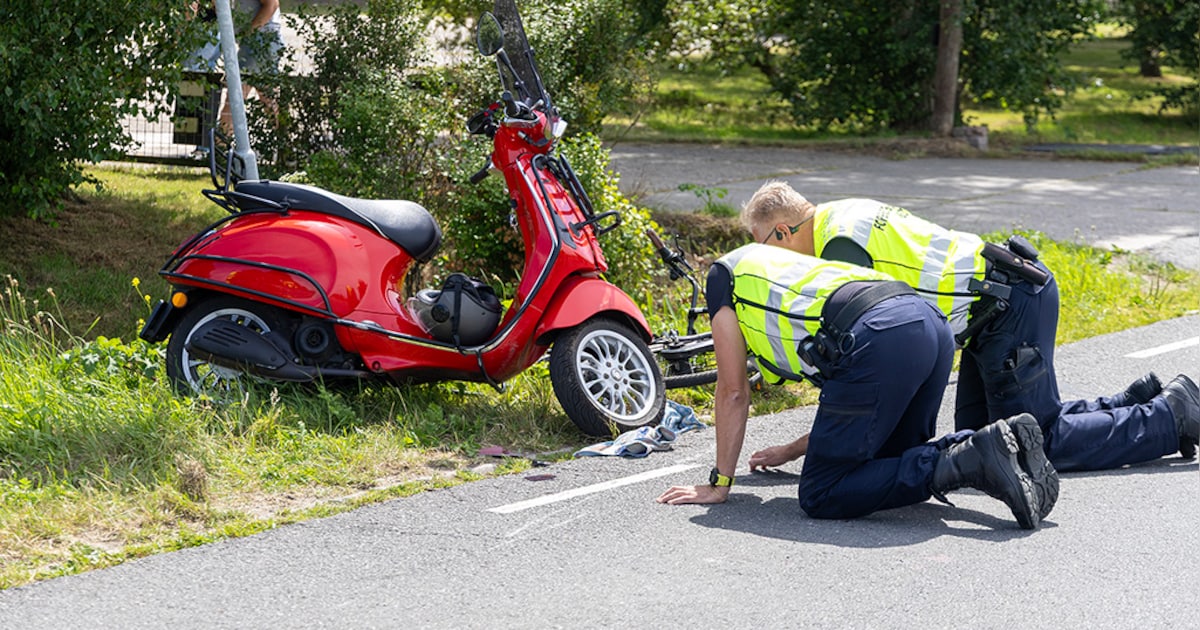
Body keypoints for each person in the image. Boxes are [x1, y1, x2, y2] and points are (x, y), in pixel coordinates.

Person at [738, 181, 1200, 472]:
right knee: (981, 432)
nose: (771, 261)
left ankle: (1169, 416)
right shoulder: (841, 213)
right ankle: (1129, 401)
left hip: (1008, 304)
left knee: (1029, 443)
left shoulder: (838, 250)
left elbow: (871, 371)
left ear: (781, 232)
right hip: (1000, 301)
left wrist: (800, 449)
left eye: (765, 247)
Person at [656, 242, 1059, 530]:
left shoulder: (723, 278)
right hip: (929, 326)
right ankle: (988, 444)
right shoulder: (789, 267)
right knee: (886, 467)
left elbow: (732, 392)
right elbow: (850, 410)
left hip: (879, 338)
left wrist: (719, 484)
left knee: (823, 493)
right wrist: (791, 450)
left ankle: (969, 458)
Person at [218, 0, 283, 135]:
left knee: (235, 98)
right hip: (259, 42)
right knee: (267, 97)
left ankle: (221, 145)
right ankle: (283, 143)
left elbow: (271, 4)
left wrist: (248, 33)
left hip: (260, 40)